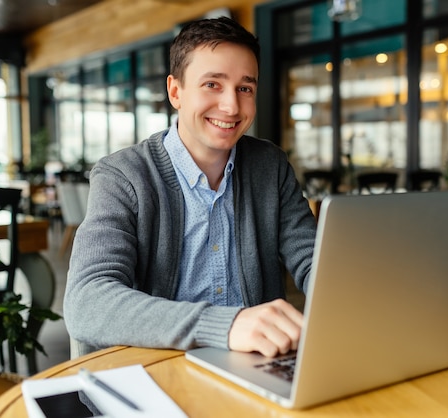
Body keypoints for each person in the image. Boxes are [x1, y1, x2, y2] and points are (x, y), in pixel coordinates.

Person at [63, 16, 317, 359]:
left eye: (245, 88)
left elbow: (314, 263)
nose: (231, 106)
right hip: (156, 370)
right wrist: (226, 326)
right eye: (213, 84)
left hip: (257, 368)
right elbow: (87, 302)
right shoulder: (122, 175)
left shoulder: (269, 167)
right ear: (175, 91)